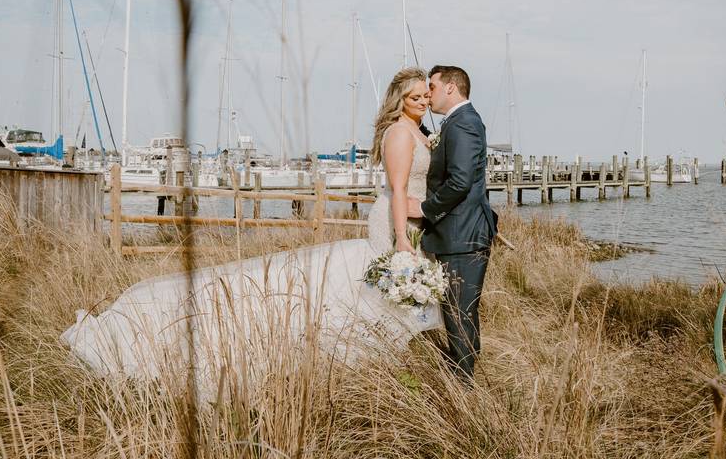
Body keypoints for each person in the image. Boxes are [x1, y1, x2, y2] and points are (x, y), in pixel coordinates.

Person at [61, 68, 442, 395]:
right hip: (396, 226)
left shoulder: (419, 131)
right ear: (399, 100)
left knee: (377, 297)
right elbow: (397, 189)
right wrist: (403, 242)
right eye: (414, 97)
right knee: (366, 291)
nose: (423, 101)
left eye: (426, 95)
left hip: (411, 221)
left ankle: (392, 366)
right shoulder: (399, 133)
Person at [409, 65, 498, 382]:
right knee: (459, 312)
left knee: (458, 313)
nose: (428, 93)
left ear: (450, 87)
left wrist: (423, 208)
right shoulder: (460, 122)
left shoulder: (463, 124)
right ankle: (466, 378)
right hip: (461, 234)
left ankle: (464, 387)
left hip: (463, 235)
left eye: (432, 86)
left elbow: (460, 182)